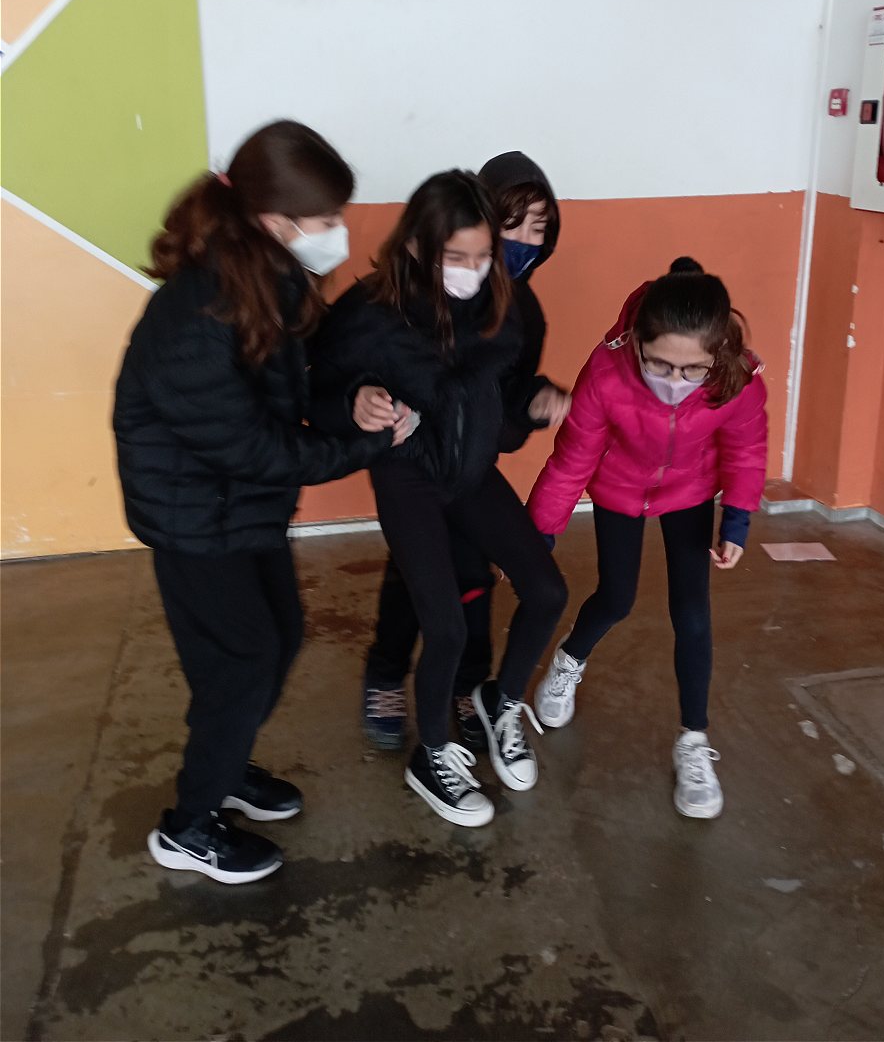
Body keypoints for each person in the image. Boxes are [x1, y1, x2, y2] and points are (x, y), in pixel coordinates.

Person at [113, 120, 404, 883]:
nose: (337, 232)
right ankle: (188, 826)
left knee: (277, 638)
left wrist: (352, 405)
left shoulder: (267, 274)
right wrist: (366, 446)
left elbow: (295, 387)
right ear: (275, 221)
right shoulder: (197, 314)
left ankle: (225, 762)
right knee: (242, 663)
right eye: (325, 219)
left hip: (240, 504)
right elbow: (254, 447)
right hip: (193, 515)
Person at [310, 170, 568, 827]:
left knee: (546, 591)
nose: (472, 271)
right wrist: (354, 402)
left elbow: (503, 403)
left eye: (483, 256)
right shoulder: (369, 313)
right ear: (418, 246)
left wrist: (533, 404)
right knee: (446, 624)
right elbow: (316, 392)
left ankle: (500, 703)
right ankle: (433, 756)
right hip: (408, 477)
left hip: (471, 471)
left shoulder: (504, 304)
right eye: (457, 257)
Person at [527, 258, 768, 820]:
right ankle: (569, 660)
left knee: (692, 613)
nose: (675, 381)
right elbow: (572, 460)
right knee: (617, 597)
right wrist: (539, 535)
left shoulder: (735, 375)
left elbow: (746, 449)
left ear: (718, 355)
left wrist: (736, 517)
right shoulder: (607, 371)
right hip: (619, 487)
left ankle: (693, 740)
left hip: (689, 491)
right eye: (659, 364)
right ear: (637, 341)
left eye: (692, 370)